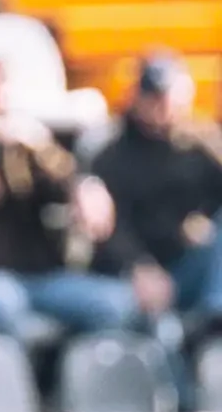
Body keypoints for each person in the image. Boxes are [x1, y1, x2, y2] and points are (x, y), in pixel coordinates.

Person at [0, 60, 139, 344]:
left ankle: (72, 379)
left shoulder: (31, 145)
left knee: (116, 303)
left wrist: (79, 181)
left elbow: (63, 180)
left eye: (3, 88)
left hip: (42, 277)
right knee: (2, 305)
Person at [92, 53, 222, 333]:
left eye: (168, 96)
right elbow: (110, 228)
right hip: (136, 274)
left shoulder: (199, 145)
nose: (161, 106)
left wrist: (200, 223)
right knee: (149, 325)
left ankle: (215, 315)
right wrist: (138, 265)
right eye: (153, 96)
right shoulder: (112, 156)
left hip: (188, 265)